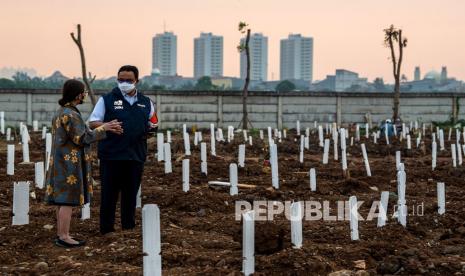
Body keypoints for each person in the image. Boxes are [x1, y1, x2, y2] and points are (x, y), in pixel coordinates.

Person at [44, 79, 123, 248]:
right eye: (84, 92)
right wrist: (104, 128)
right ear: (78, 95)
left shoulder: (62, 112)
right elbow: (82, 138)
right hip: (69, 165)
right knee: (67, 201)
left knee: (62, 200)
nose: (85, 95)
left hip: (60, 162)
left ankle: (61, 234)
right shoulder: (72, 115)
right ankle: (64, 236)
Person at [89, 65, 156, 234]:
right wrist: (107, 125)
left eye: (128, 80)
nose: (124, 83)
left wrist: (150, 130)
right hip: (111, 155)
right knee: (109, 195)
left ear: (137, 81)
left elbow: (153, 123)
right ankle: (106, 230)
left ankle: (128, 227)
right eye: (121, 80)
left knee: (130, 194)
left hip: (135, 155)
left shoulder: (146, 102)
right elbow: (92, 122)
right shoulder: (107, 99)